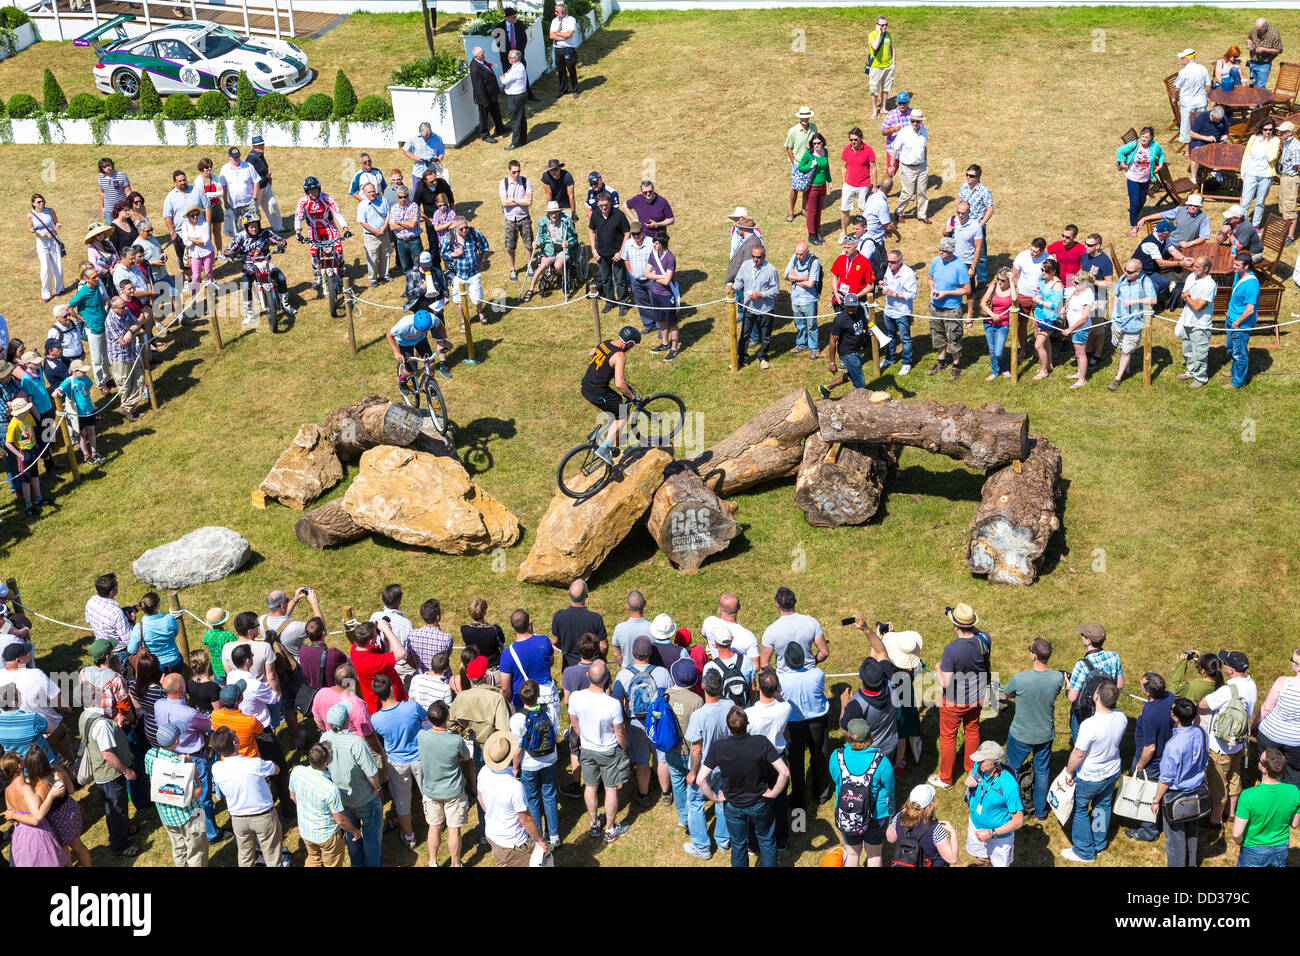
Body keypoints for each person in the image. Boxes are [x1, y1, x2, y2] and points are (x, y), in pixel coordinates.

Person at [697, 706, 789, 867]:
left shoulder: (718, 747)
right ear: (747, 723)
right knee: (767, 842)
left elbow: (700, 780)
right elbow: (785, 772)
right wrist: (774, 793)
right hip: (760, 802)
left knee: (738, 845)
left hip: (732, 805)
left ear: (727, 726)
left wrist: (715, 798)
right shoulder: (761, 742)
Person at [1061, 680, 1127, 863]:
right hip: (1112, 771)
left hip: (1089, 777)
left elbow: (1078, 753)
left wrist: (1068, 772)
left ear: (1096, 697)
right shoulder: (1121, 717)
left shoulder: (1089, 725)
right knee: (1102, 805)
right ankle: (1098, 842)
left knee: (1080, 810)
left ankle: (1084, 850)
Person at [568, 659, 632, 843]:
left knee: (590, 786)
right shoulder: (612, 704)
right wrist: (623, 746)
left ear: (587, 676)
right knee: (611, 789)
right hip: (609, 750)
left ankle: (595, 823)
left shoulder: (575, 697)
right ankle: (610, 829)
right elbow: (619, 731)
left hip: (587, 748)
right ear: (606, 679)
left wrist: (585, 736)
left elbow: (574, 724)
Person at [1001, 638, 1063, 821]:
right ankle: (1041, 812)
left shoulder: (1019, 679)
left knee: (1011, 768)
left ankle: (1010, 807)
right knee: (1042, 772)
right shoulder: (1057, 678)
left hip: (1021, 735)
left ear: (1034, 655)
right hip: (1045, 734)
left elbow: (1006, 693)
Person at [929, 604, 987, 790]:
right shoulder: (985, 639)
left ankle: (946, 779)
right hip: (977, 697)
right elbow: (977, 632)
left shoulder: (951, 650)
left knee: (948, 738)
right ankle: (971, 770)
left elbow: (945, 682)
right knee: (972, 731)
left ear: (956, 627)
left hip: (954, 701)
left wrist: (938, 669)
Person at [210, 725, 286, 867]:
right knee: (273, 856)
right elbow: (276, 769)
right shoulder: (255, 764)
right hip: (263, 816)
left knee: (245, 856)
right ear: (235, 743)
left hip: (238, 819)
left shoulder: (216, 768)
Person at [319, 702, 382, 867]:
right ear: (346, 721)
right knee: (371, 834)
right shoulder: (357, 742)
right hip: (365, 798)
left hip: (341, 798)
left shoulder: (324, 738)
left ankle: (357, 863)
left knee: (352, 834)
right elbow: (372, 773)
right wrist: (377, 788)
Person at [1199, 650, 1257, 827]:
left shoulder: (1227, 690)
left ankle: (1215, 819)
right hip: (1239, 743)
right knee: (1234, 776)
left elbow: (1203, 704)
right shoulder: (1251, 684)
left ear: (1230, 670)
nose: (1223, 666)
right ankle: (1231, 812)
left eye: (1225, 664)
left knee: (1218, 782)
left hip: (1220, 745)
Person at [78, 690, 139, 857]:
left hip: (103, 775)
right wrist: (126, 771)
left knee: (117, 807)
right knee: (116, 810)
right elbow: (108, 754)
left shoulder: (85, 715)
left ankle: (124, 828)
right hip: (110, 775)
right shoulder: (101, 724)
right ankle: (119, 845)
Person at [1149, 697, 1208, 867]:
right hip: (1196, 791)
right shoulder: (1201, 733)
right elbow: (1205, 761)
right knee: (1192, 834)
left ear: (1175, 717)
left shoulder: (1173, 746)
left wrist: (1156, 800)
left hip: (1176, 797)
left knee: (1175, 840)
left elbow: (1165, 779)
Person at [613, 635, 672, 804]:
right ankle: (666, 794)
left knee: (642, 761)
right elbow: (669, 697)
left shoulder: (623, 675)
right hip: (659, 721)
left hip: (635, 723)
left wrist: (624, 719)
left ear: (632, 652)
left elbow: (617, 700)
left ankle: (644, 795)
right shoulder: (662, 672)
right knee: (662, 758)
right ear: (650, 652)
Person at [827, 718, 894, 867]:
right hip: (876, 816)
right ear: (870, 737)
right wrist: (891, 814)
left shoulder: (836, 756)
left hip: (847, 813)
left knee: (852, 854)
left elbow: (836, 779)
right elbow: (890, 790)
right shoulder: (882, 761)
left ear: (848, 736)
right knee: (874, 855)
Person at [683, 670, 735, 859]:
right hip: (727, 765)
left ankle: (702, 847)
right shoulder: (730, 705)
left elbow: (696, 749)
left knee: (695, 802)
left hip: (706, 768)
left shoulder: (699, 715)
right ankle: (723, 840)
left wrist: (692, 772)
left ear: (703, 686)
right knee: (723, 799)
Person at [478, 730, 549, 866]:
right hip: (513, 843)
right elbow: (525, 819)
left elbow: (480, 797)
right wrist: (540, 839)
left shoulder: (483, 771)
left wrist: (494, 814)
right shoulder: (514, 786)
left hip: (493, 833)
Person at [143, 721, 209, 867]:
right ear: (177, 741)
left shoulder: (150, 755)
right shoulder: (183, 763)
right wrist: (192, 767)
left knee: (178, 847)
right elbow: (197, 793)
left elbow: (151, 773)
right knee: (197, 850)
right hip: (189, 814)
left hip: (166, 813)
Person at [417, 699, 474, 867]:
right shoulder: (455, 741)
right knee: (453, 829)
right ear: (448, 717)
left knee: (433, 827)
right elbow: (466, 756)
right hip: (453, 792)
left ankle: (433, 862)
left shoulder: (421, 736)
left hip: (431, 790)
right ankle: (456, 864)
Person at [289, 741, 360, 867]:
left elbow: (292, 796)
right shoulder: (331, 789)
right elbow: (341, 821)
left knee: (313, 858)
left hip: (306, 831)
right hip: (328, 837)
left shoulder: (297, 771)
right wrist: (355, 831)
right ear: (326, 764)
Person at [1125, 673, 1176, 845]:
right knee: (1161, 793)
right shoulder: (1170, 697)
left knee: (1148, 795)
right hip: (1166, 757)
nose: (1139, 685)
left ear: (1148, 692)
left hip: (1151, 763)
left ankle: (1148, 830)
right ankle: (1161, 820)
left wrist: (1140, 765)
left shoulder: (1149, 715)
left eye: (1141, 684)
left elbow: (1149, 747)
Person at [510, 680, 559, 846]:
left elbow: (517, 749)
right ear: (538, 695)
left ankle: (538, 839)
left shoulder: (517, 719)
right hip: (550, 759)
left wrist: (515, 768)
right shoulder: (550, 709)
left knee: (532, 799)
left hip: (529, 764)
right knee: (550, 795)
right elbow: (557, 735)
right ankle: (554, 835)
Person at [1233, 747, 1300, 867]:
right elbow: (1295, 824)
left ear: (1264, 769)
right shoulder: (1295, 791)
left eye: (1260, 759)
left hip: (1253, 849)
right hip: (1281, 848)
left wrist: (1240, 843)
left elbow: (1237, 834)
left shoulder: (1248, 795)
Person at [226, 212, 295, 329]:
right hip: (249, 265)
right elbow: (228, 250)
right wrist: (231, 254)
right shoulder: (240, 236)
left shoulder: (265, 233)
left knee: (281, 278)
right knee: (245, 286)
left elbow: (282, 240)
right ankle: (249, 314)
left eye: (256, 226)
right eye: (251, 227)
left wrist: (281, 245)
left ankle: (285, 304)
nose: (254, 229)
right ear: (246, 227)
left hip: (265, 261)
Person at [0, 750, 67, 866]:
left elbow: (12, 819)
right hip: (37, 836)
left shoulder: (7, 790)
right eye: (20, 757)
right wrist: (51, 795)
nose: (23, 757)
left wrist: (15, 815)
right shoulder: (25, 789)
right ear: (19, 765)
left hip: (20, 836)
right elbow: (37, 817)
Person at [963, 741, 1024, 867]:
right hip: (975, 825)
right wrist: (971, 778)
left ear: (995, 762)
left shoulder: (1009, 785)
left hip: (999, 837)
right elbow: (971, 772)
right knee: (981, 860)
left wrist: (991, 833)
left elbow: (1018, 821)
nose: (978, 763)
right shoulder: (979, 767)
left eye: (982, 761)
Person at [927, 236, 971, 379]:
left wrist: (946, 293)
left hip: (952, 309)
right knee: (938, 335)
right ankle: (941, 362)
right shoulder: (936, 261)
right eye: (940, 249)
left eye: (944, 250)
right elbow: (930, 278)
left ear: (951, 251)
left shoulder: (960, 267)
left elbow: (966, 290)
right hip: (935, 307)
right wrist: (932, 289)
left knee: (954, 337)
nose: (941, 252)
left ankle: (956, 366)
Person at [1256, 649, 1300, 786]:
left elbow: (1266, 708)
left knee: (1267, 769)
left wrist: (1253, 726)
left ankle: (1266, 797)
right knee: (1294, 775)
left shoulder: (1283, 682)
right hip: (1295, 741)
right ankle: (1291, 803)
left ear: (1298, 666)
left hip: (1270, 734)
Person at [886, 783, 959, 866]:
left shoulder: (899, 817)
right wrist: (953, 832)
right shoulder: (935, 829)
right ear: (931, 805)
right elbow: (953, 859)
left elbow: (890, 838)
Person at [733, 239, 779, 370]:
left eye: (758, 257)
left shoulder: (771, 270)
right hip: (749, 307)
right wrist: (733, 288)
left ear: (764, 256)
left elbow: (775, 290)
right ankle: (742, 358)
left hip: (765, 309)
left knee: (766, 336)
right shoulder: (746, 265)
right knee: (745, 334)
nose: (755, 259)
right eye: (753, 256)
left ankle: (763, 357)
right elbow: (739, 281)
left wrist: (761, 294)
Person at [499, 609, 556, 713]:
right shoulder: (544, 640)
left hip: (522, 704)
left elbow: (505, 689)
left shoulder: (507, 654)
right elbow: (551, 662)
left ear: (511, 625)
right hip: (546, 699)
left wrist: (508, 704)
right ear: (529, 622)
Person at [523, 200, 578, 303]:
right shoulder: (542, 222)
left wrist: (568, 243)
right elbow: (541, 238)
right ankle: (531, 289)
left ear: (559, 211)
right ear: (547, 213)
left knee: (558, 266)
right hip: (549, 249)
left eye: (555, 212)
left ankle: (564, 277)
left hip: (563, 249)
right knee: (542, 265)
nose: (553, 215)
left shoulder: (566, 221)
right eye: (551, 213)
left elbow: (574, 237)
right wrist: (537, 243)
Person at [1174, 255, 1216, 388]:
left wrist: (1188, 297)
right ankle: (1190, 371)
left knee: (1199, 352)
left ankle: (1200, 377)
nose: (1193, 268)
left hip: (1200, 324)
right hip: (1187, 320)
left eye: (1197, 267)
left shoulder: (1210, 284)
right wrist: (1189, 297)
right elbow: (1183, 294)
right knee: (1187, 349)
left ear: (1206, 269)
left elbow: (1198, 307)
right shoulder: (1191, 277)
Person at [819, 292, 871, 396]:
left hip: (857, 350)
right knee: (860, 383)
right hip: (847, 353)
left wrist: (869, 329)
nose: (851, 309)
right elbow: (832, 340)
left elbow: (864, 322)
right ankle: (860, 402)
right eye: (848, 307)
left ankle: (826, 388)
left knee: (853, 374)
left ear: (857, 305)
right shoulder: (840, 320)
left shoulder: (860, 311)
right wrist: (832, 363)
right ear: (844, 306)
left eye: (853, 307)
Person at [589, 192, 630, 313]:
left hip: (617, 253)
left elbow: (627, 233)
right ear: (597, 204)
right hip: (601, 254)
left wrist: (621, 252)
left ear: (610, 202)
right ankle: (610, 302)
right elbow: (591, 231)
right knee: (606, 279)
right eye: (601, 206)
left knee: (620, 280)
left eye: (606, 205)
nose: (604, 208)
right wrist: (593, 249)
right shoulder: (595, 215)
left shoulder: (619, 215)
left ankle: (623, 304)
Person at [54, 360, 101, 465]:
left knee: (92, 432)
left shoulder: (86, 378)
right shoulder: (69, 381)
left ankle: (94, 453)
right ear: (74, 371)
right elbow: (60, 388)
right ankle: (86, 455)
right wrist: (57, 392)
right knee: (81, 434)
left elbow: (88, 388)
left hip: (89, 410)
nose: (85, 373)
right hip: (77, 414)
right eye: (82, 371)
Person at [1224, 252, 1260, 390]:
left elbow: (1250, 309)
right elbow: (1235, 295)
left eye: (1237, 265)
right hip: (1231, 319)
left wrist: (1237, 322)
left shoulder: (1251, 285)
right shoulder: (1237, 275)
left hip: (1240, 324)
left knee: (1240, 354)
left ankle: (1238, 382)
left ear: (1246, 266)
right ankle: (1234, 371)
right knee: (1231, 347)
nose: (1233, 266)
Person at [943, 201, 984, 320]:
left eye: (963, 213)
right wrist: (946, 231)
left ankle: (969, 314)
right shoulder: (952, 220)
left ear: (969, 212)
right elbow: (945, 236)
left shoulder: (975, 226)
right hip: (952, 260)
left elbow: (978, 247)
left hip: (967, 262)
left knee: (969, 290)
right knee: (951, 286)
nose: (960, 216)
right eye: (958, 213)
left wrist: (972, 267)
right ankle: (953, 310)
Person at [784, 239, 823, 359]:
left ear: (807, 252)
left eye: (801, 254)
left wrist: (794, 279)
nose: (798, 256)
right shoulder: (794, 258)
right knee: (799, 324)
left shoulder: (814, 262)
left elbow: (811, 284)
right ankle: (801, 344)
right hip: (796, 299)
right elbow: (785, 275)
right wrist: (802, 278)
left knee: (811, 325)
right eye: (797, 253)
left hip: (809, 299)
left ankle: (814, 348)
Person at [646, 231, 681, 359]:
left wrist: (654, 276)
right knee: (660, 320)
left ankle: (674, 348)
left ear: (663, 244)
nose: (653, 245)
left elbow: (667, 281)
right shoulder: (653, 254)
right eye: (653, 243)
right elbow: (646, 273)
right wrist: (660, 276)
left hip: (667, 294)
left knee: (672, 322)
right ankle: (665, 343)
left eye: (656, 243)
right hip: (656, 293)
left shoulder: (670, 258)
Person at [1240, 118, 1280, 228]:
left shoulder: (1275, 140)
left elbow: (1271, 158)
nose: (1268, 132)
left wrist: (1267, 142)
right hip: (1251, 173)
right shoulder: (1253, 138)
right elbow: (1246, 155)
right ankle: (1240, 225)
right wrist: (1243, 172)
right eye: (1265, 129)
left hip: (1266, 176)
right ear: (1261, 129)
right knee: (1245, 202)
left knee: (1260, 202)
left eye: (1270, 129)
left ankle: (1255, 226)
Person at [893, 110, 930, 223]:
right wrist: (891, 165)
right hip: (907, 167)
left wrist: (925, 162)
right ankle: (898, 212)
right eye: (913, 121)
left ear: (920, 121)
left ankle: (921, 214)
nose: (915, 123)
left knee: (922, 192)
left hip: (922, 166)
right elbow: (895, 148)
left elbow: (924, 147)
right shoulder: (904, 132)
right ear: (910, 121)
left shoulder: (924, 131)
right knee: (907, 193)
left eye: (917, 121)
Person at [499, 160, 533, 282]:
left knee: (529, 244)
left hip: (524, 218)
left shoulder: (526, 181)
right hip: (510, 220)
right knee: (510, 246)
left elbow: (528, 202)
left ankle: (529, 266)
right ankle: (513, 269)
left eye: (518, 171)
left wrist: (512, 199)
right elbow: (504, 202)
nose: (517, 174)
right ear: (509, 171)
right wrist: (520, 200)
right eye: (514, 172)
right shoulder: (504, 183)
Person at [1030, 258, 1064, 382]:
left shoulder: (1058, 285)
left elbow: (1054, 305)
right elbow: (1040, 292)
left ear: (1054, 271)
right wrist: (1037, 297)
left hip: (1049, 318)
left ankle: (1043, 371)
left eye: (1046, 271)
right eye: (1042, 270)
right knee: (1046, 342)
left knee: (1038, 345)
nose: (1043, 273)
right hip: (1040, 315)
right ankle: (1048, 365)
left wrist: (1039, 301)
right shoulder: (1044, 280)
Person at [978, 267, 1014, 379]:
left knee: (998, 351)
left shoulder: (1012, 289)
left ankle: (1004, 368)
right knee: (992, 349)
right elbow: (983, 303)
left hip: (1003, 325)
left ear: (1008, 280)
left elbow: (1015, 299)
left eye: (1003, 280)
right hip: (989, 322)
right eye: (998, 279)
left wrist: (1012, 282)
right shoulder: (994, 286)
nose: (999, 282)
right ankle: (995, 371)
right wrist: (992, 315)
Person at [840, 127, 878, 235]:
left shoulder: (868, 150)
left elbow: (873, 168)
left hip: (863, 185)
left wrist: (874, 186)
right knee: (845, 209)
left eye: (855, 139)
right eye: (851, 140)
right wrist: (844, 183)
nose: (853, 142)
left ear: (861, 138)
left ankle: (862, 233)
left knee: (863, 210)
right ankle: (844, 232)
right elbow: (844, 167)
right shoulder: (846, 150)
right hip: (849, 185)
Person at [797, 131, 833, 245]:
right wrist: (810, 166)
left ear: (823, 143)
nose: (816, 145)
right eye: (814, 143)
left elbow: (826, 168)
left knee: (819, 210)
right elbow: (800, 167)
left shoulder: (825, 152)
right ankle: (811, 235)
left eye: (818, 143)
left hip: (822, 186)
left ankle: (818, 231)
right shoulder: (809, 154)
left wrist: (830, 181)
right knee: (811, 211)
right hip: (812, 187)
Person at [1062, 271, 1097, 388]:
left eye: (1076, 282)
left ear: (1085, 283)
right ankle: (1078, 373)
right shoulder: (1076, 291)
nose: (1073, 283)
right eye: (1073, 280)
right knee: (1077, 352)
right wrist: (1065, 310)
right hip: (1075, 328)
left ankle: (1082, 379)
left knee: (1081, 354)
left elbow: (1084, 317)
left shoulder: (1087, 295)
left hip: (1080, 328)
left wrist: (1070, 329)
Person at [468, 46, 508, 144]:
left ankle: (500, 128)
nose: (484, 55)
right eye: (482, 54)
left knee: (496, 113)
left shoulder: (482, 62)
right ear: (477, 57)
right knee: (484, 117)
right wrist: (485, 101)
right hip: (484, 98)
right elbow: (478, 86)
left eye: (483, 52)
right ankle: (485, 135)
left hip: (492, 94)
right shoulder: (475, 68)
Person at [28, 194, 63, 302]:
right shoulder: (30, 215)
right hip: (42, 243)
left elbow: (56, 221)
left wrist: (57, 224)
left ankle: (60, 289)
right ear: (33, 204)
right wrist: (33, 230)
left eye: (42, 201)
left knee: (57, 265)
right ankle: (46, 293)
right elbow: (29, 228)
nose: (41, 203)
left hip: (53, 241)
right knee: (45, 268)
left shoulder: (50, 210)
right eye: (38, 202)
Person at [219, 147, 260, 241]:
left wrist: (255, 197)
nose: (237, 159)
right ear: (229, 157)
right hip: (235, 205)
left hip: (249, 203)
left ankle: (256, 245)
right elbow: (224, 187)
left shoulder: (248, 166)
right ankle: (243, 247)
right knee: (239, 228)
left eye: (238, 156)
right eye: (234, 157)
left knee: (253, 226)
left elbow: (256, 181)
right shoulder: (224, 169)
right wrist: (225, 201)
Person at [785, 107, 818, 222]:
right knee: (795, 188)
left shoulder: (814, 127)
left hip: (810, 163)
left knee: (806, 187)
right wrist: (794, 163)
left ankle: (804, 208)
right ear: (799, 117)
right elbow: (789, 148)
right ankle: (791, 211)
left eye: (806, 116)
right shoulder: (793, 131)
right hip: (798, 163)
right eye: (802, 116)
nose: (804, 118)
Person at [356, 182, 392, 285]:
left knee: (386, 255)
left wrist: (384, 228)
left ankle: (385, 275)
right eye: (369, 192)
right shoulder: (362, 205)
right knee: (373, 258)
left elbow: (388, 215)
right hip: (371, 236)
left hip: (384, 233)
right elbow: (363, 222)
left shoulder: (383, 201)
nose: (372, 194)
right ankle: (373, 279)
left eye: (373, 191)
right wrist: (375, 231)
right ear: (365, 193)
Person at [1174, 49, 1210, 148]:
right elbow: (1208, 86)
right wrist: (1208, 97)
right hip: (1201, 102)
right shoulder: (1203, 68)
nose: (1181, 59)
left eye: (1183, 58)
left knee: (1186, 126)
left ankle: (1186, 151)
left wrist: (1175, 98)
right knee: (1202, 125)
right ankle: (1202, 146)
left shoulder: (1183, 72)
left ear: (1187, 59)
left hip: (1187, 104)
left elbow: (1177, 88)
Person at [247, 134, 282, 233]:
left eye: (262, 145)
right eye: (259, 145)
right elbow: (251, 176)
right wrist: (265, 177)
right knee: (254, 211)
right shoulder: (251, 159)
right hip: (257, 188)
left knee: (272, 204)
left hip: (265, 186)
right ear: (254, 146)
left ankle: (278, 227)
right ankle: (255, 230)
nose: (261, 147)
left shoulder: (260, 155)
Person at [610, 591, 653, 669]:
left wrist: (624, 667)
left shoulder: (619, 628)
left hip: (627, 674)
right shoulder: (654, 629)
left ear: (627, 606)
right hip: (650, 673)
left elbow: (617, 654)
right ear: (645, 603)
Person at [880, 90, 916, 180]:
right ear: (897, 103)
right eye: (900, 103)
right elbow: (883, 132)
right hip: (894, 151)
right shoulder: (891, 115)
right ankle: (881, 191)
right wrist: (893, 129)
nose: (902, 105)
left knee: (910, 174)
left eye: (904, 103)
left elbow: (921, 128)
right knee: (890, 172)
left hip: (909, 151)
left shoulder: (913, 113)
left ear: (908, 102)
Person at [1187, 108, 1229, 185]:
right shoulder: (1202, 117)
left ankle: (1216, 171)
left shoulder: (1224, 119)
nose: (1218, 122)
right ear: (1211, 115)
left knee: (1224, 149)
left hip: (1216, 142)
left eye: (1219, 120)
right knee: (1196, 151)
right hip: (1200, 141)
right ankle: (1193, 178)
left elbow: (1225, 134)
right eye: (1216, 120)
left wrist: (1223, 139)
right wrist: (1206, 138)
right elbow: (1192, 134)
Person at [865, 14, 895, 117]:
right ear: (877, 25)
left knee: (886, 88)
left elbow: (892, 48)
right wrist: (878, 33)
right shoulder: (872, 35)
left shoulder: (888, 35)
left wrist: (893, 62)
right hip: (876, 67)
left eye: (886, 25)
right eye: (882, 25)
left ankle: (883, 108)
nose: (884, 27)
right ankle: (874, 110)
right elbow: (875, 46)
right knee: (874, 90)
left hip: (888, 66)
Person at [499, 49, 529, 150]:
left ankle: (515, 143)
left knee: (515, 120)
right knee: (521, 118)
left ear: (515, 59)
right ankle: (523, 139)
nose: (508, 58)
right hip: (519, 95)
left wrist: (501, 78)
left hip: (515, 97)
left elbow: (505, 80)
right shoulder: (516, 66)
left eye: (510, 57)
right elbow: (507, 75)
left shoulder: (517, 69)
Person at [549, 1, 580, 98]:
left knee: (571, 69)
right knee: (560, 70)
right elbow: (551, 35)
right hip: (557, 49)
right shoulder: (554, 21)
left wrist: (557, 34)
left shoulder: (571, 20)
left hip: (568, 49)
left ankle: (575, 89)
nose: (555, 13)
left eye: (557, 12)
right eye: (555, 11)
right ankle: (563, 89)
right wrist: (563, 36)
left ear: (564, 12)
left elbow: (569, 34)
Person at [180, 205, 215, 290]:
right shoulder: (185, 225)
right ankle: (194, 295)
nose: (195, 217)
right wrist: (199, 241)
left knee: (208, 272)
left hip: (207, 252)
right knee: (196, 276)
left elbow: (206, 241)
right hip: (194, 254)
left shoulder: (205, 223)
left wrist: (191, 239)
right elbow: (185, 242)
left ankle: (211, 289)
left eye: (197, 214)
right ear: (188, 216)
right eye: (192, 215)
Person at [1278, 122, 1300, 246]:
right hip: (1285, 177)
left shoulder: (1296, 146)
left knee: (1290, 209)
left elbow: (1299, 167)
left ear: (1290, 133)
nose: (1280, 133)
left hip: (1291, 179)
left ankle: (1290, 237)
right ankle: (1284, 232)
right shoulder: (1286, 142)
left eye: (1283, 132)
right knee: (1284, 207)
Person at [1245, 18, 1284, 89]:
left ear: (1265, 27)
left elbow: (1279, 50)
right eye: (1256, 29)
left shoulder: (1274, 34)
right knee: (1252, 85)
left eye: (1259, 30)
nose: (1257, 31)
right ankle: (1253, 99)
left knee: (1260, 87)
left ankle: (1260, 99)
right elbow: (1249, 38)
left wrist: (1265, 50)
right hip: (1253, 62)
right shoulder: (1255, 29)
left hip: (1264, 64)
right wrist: (1250, 44)